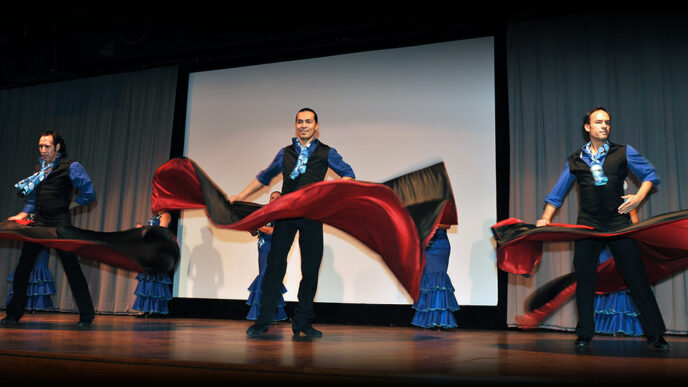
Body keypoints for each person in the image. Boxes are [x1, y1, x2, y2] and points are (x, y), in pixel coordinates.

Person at [536, 107, 668, 350]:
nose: (604, 126)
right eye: (598, 122)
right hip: (588, 225)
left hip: (618, 223)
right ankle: (584, 334)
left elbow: (649, 174)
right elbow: (557, 193)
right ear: (588, 128)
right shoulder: (576, 159)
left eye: (607, 122)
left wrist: (638, 197)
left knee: (637, 279)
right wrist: (545, 218)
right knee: (585, 281)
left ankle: (656, 334)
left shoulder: (623, 152)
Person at [230, 108, 355, 337]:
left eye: (308, 121)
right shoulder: (285, 153)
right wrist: (240, 197)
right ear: (295, 125)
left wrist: (329, 192)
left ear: (316, 126)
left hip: (312, 215)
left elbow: (348, 174)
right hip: (286, 215)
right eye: (300, 122)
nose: (303, 125)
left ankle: (302, 323)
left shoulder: (327, 152)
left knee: (310, 269)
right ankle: (262, 321)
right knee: (275, 267)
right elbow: (264, 177)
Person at [2, 131, 96, 327]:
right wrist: (22, 215)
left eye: (47, 146)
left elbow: (89, 193)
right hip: (39, 224)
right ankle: (13, 315)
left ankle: (86, 315)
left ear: (58, 147)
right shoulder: (40, 168)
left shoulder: (72, 167)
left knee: (72, 269)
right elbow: (33, 199)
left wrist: (70, 205)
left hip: (60, 225)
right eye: (40, 146)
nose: (43, 150)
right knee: (23, 269)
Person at [246, 191, 288, 322]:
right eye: (272, 197)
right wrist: (251, 224)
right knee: (267, 277)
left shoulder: (282, 215)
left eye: (277, 197)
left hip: (273, 249)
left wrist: (258, 224)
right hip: (262, 248)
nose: (274, 199)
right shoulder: (264, 214)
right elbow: (254, 233)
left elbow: (273, 231)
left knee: (267, 277)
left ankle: (263, 313)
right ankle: (271, 313)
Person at [411, 224, 460, 329]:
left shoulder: (444, 208)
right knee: (428, 279)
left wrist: (434, 223)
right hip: (427, 243)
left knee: (439, 280)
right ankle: (427, 320)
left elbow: (448, 225)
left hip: (441, 244)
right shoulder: (424, 208)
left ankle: (440, 320)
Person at [131, 211, 173, 317]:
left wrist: (144, 229)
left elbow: (161, 232)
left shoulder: (165, 215)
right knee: (148, 279)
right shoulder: (155, 216)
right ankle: (146, 309)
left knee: (155, 279)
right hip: (150, 249)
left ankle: (155, 310)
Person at [6, 248, 56, 312]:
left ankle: (35, 305)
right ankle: (26, 304)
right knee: (27, 270)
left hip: (44, 246)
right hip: (31, 244)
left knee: (39, 272)